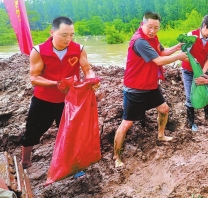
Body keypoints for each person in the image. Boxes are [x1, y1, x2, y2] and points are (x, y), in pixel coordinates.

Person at [20, 16, 97, 169]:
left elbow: (88, 70)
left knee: (72, 134)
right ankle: (25, 161)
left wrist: (91, 80)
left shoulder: (78, 49)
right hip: (43, 100)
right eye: (64, 35)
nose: (68, 39)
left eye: (71, 35)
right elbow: (34, 78)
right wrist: (57, 84)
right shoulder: (39, 51)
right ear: (52, 32)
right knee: (32, 133)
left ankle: (73, 165)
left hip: (69, 100)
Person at [113, 11, 188, 167]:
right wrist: (180, 56)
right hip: (135, 88)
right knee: (127, 123)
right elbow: (159, 60)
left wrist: (178, 47)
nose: (153, 31)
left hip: (151, 85)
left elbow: (162, 51)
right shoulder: (140, 41)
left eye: (156, 28)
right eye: (150, 27)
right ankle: (116, 157)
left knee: (164, 109)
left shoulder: (153, 38)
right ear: (142, 24)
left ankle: (161, 135)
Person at [181, 14, 208, 132]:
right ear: (204, 26)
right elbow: (183, 55)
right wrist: (192, 61)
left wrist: (202, 73)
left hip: (202, 70)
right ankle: (191, 122)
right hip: (188, 71)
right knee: (190, 96)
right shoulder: (190, 36)